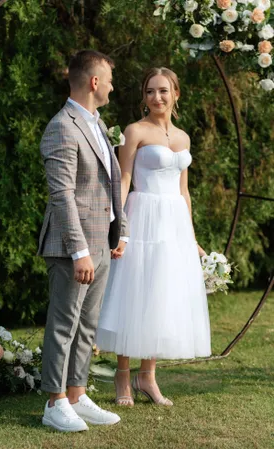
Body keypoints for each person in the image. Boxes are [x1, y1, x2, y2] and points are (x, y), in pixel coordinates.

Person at [96, 67, 211, 407]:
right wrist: (118, 226)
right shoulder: (135, 131)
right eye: (149, 91)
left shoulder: (184, 138)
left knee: (162, 293)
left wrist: (191, 237)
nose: (156, 97)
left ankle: (148, 376)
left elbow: (184, 191)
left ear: (176, 93)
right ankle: (122, 376)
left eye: (163, 91)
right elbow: (124, 178)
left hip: (172, 220)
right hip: (142, 214)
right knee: (133, 290)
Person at [38, 50, 129, 432]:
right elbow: (63, 196)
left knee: (86, 326)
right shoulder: (63, 125)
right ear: (94, 82)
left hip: (100, 243)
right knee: (64, 325)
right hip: (74, 248)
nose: (111, 85)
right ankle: (54, 402)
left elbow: (107, 184)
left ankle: (76, 393)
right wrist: (79, 252)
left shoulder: (96, 123)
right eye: (108, 78)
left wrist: (118, 230)